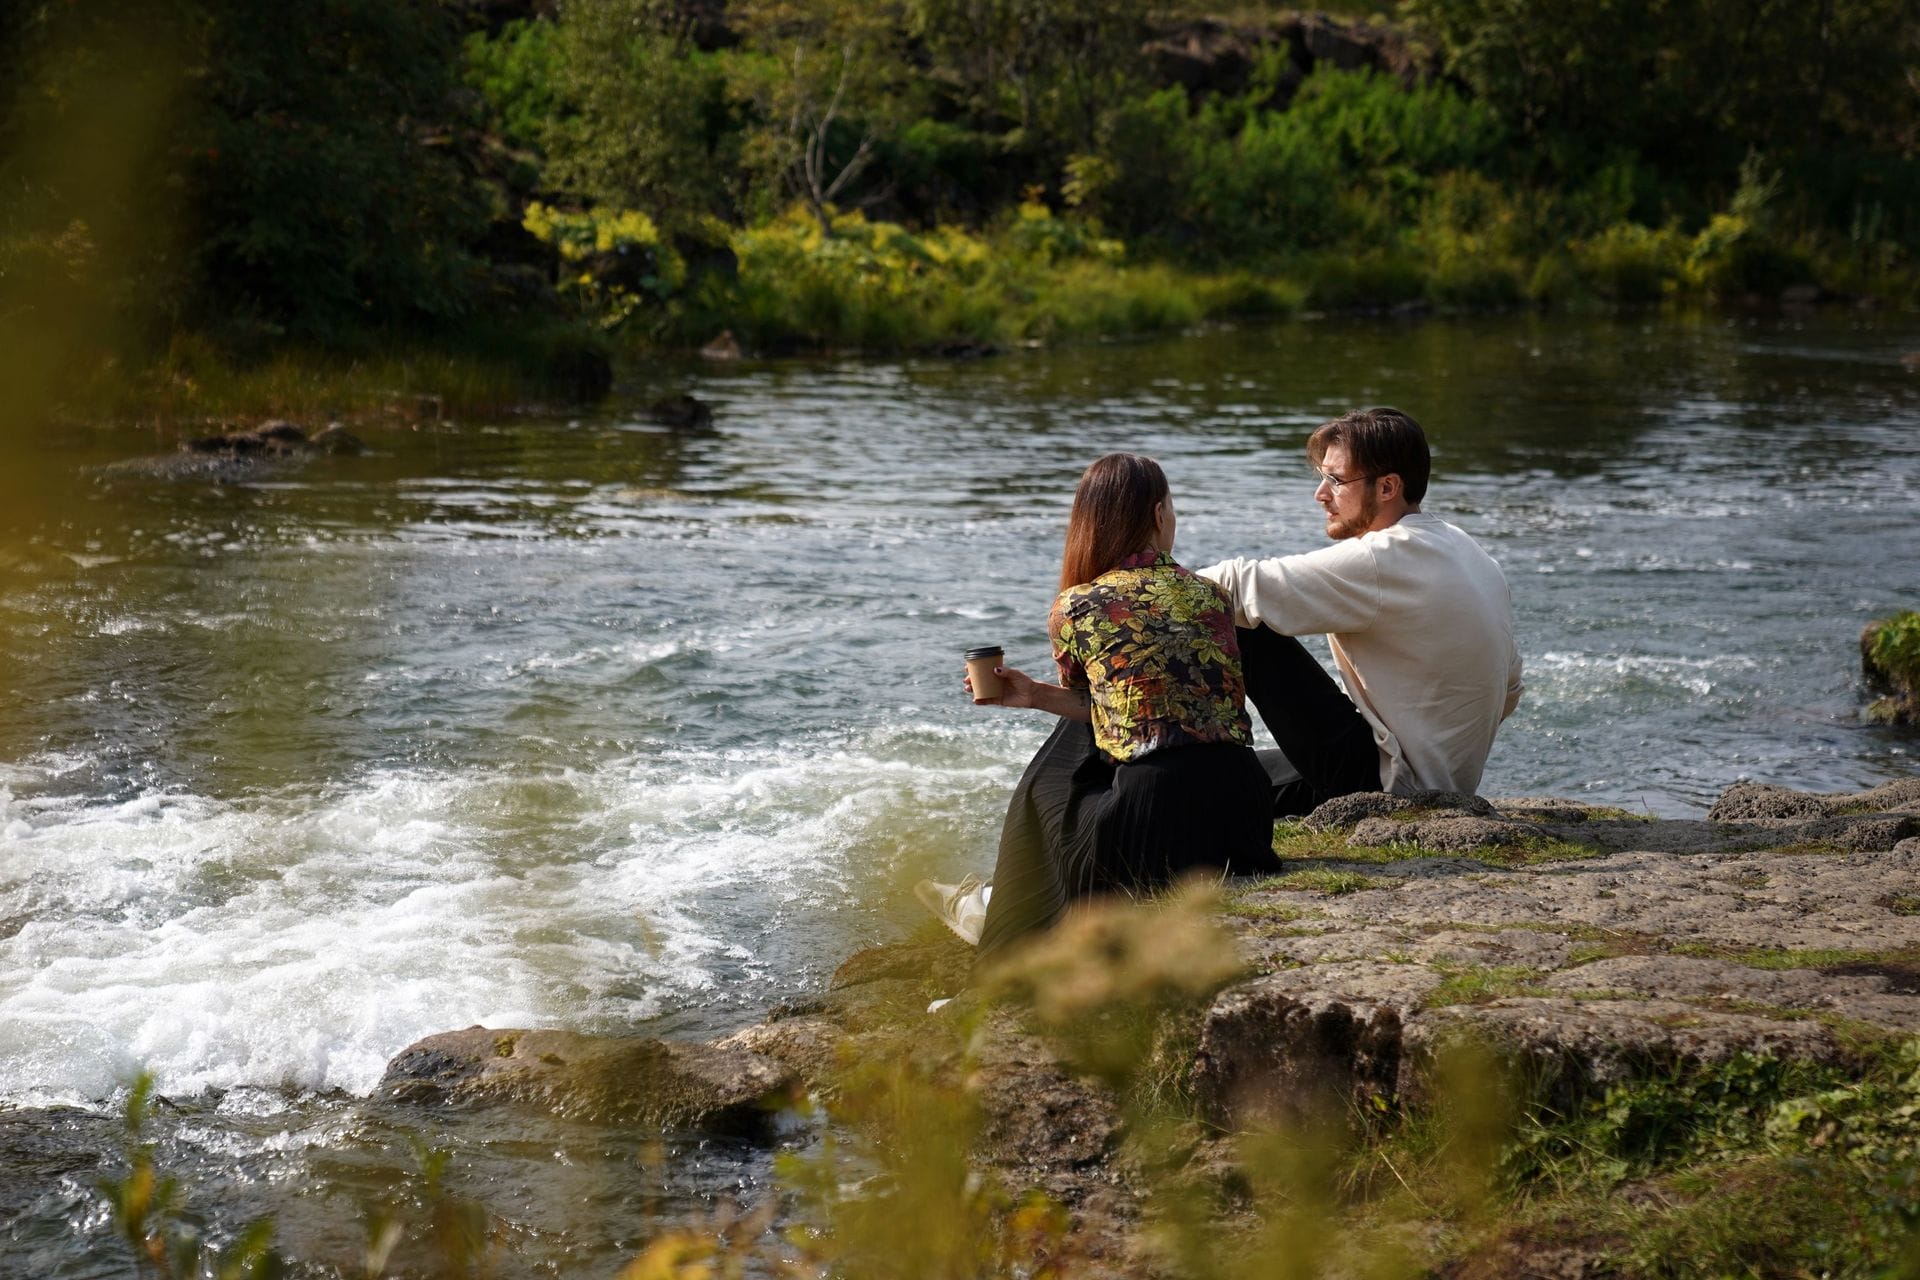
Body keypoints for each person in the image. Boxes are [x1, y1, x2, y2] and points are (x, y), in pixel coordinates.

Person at [919, 453, 1280, 956]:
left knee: (1046, 779)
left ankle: (1003, 929)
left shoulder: (1077, 606)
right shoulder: (1212, 596)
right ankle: (999, 907)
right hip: (1243, 819)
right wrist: (1038, 696)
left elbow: (1104, 716)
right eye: (1172, 508)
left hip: (1150, 829)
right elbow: (1141, 711)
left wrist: (1043, 698)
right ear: (1158, 515)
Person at [1196, 406, 1522, 817]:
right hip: (1422, 776)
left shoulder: (1384, 558)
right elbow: (1509, 688)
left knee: (1239, 619)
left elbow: (1236, 583)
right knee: (1226, 786)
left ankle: (1171, 742)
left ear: (1387, 487)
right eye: (1322, 478)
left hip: (1389, 785)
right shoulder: (1471, 553)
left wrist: (1112, 593)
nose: (1321, 494)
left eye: (1336, 480)